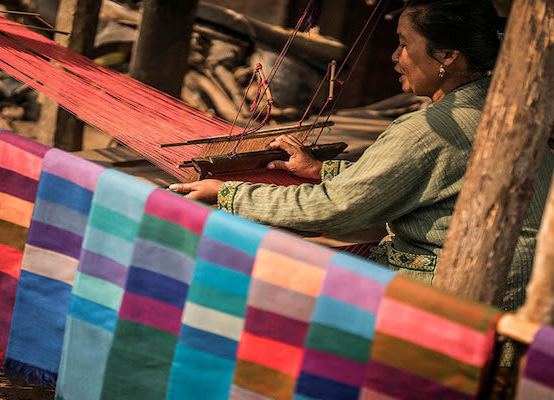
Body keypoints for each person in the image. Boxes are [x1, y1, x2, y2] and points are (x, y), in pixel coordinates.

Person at [170, 0, 554, 312]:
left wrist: (227, 193)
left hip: (463, 290)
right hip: (521, 282)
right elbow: (430, 177)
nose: (394, 56)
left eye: (404, 43)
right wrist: (324, 169)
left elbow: (336, 211)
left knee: (264, 282)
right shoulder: (511, 110)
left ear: (448, 55)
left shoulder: (429, 130)